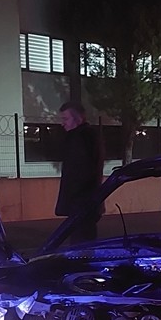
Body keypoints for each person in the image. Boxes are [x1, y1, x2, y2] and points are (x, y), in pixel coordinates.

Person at [55, 101, 103, 243]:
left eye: (66, 119)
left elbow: (80, 172)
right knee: (84, 243)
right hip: (86, 202)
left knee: (80, 246)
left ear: (78, 119)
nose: (63, 123)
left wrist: (75, 200)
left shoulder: (79, 138)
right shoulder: (88, 137)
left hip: (81, 203)